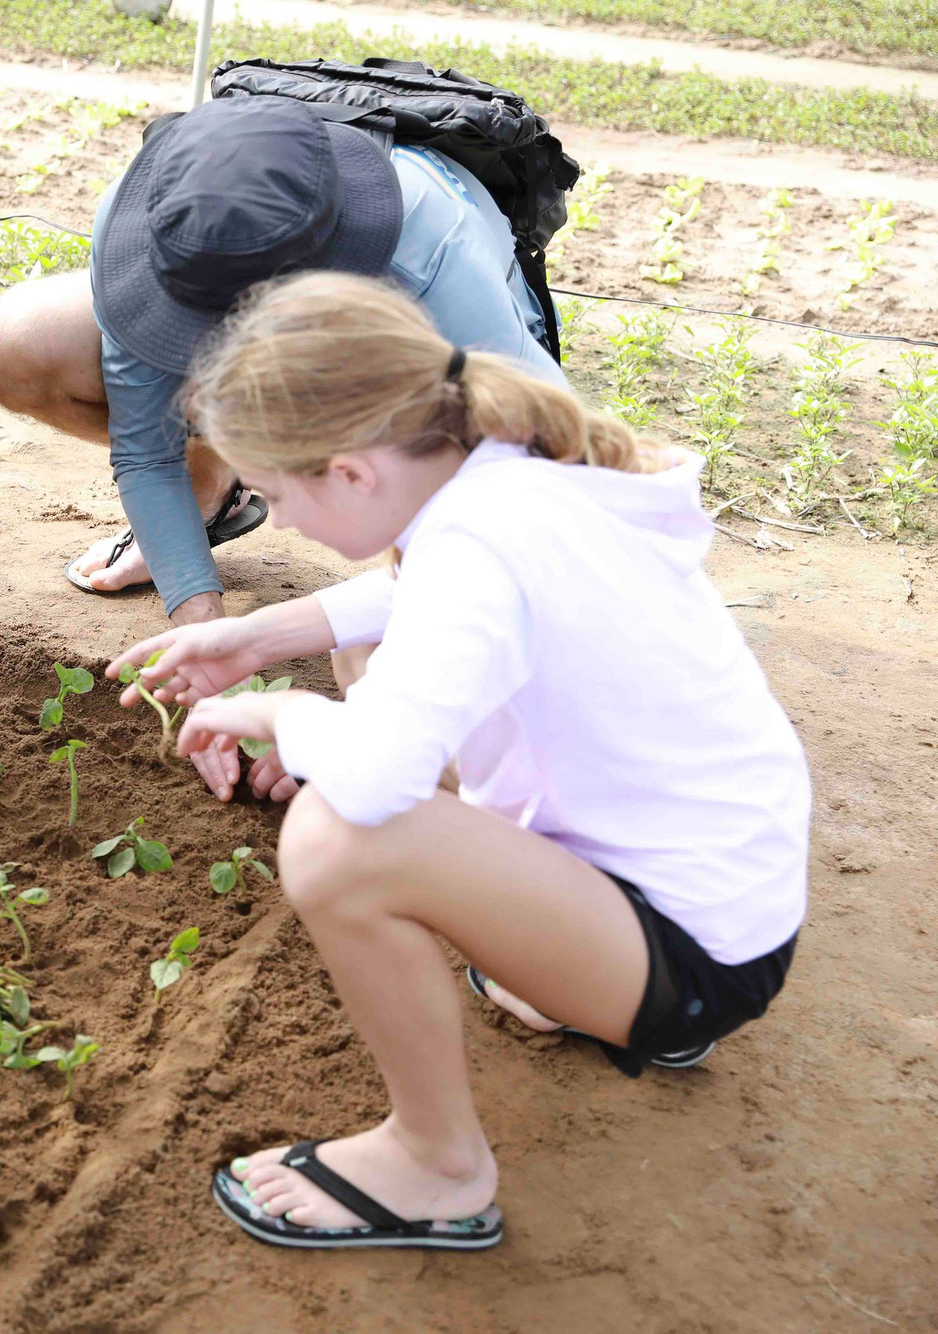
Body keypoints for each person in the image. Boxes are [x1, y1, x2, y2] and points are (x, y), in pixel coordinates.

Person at [106, 273, 807, 1250]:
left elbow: (379, 776)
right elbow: (429, 597)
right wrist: (265, 634)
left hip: (690, 953)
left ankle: (435, 1164)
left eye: (274, 493)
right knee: (361, 675)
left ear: (350, 471)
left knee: (336, 839)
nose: (287, 522)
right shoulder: (506, 474)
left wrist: (276, 713)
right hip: (723, 894)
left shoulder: (474, 546)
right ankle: (570, 982)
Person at [0, 95, 565, 628]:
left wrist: (417, 599)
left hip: (402, 354)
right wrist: (200, 619)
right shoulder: (158, 209)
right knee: (18, 341)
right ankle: (208, 485)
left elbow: (550, 450)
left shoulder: (428, 253)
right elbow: (144, 443)